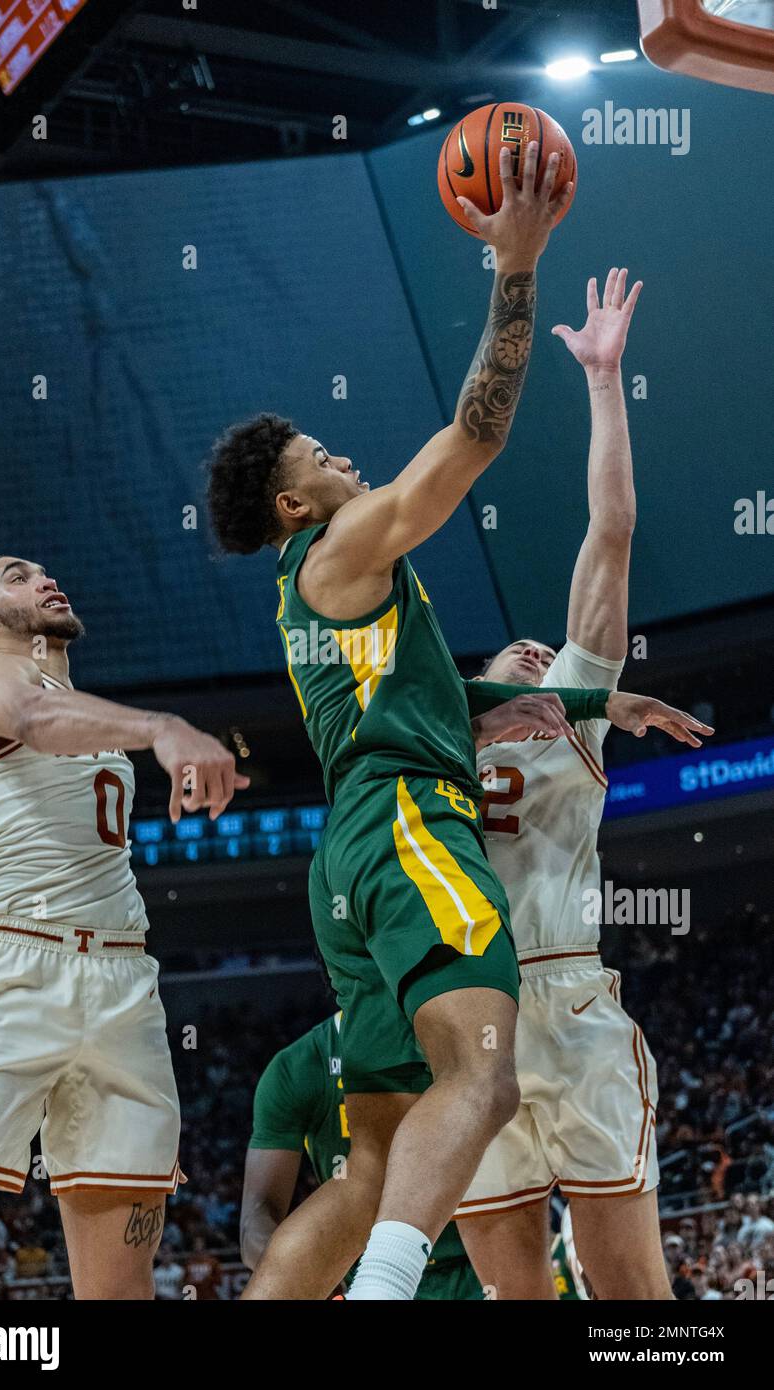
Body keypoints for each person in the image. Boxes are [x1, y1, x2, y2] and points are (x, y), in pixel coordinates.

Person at [209, 145, 711, 1299]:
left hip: (512, 974)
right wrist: (515, 270)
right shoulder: (350, 565)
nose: (342, 458)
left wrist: (595, 694)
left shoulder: (529, 710)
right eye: (318, 457)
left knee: (617, 1292)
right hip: (449, 924)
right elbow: (472, 439)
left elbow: (609, 537)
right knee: (481, 1168)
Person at [0, 555, 247, 1299]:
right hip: (13, 969)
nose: (45, 577)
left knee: (121, 1284)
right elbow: (31, 719)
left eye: (44, 572)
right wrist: (163, 727)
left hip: (123, 978)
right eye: (17, 575)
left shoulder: (81, 707)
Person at [454, 269, 680, 1299]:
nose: (541, 654)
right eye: (519, 651)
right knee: (516, 1295)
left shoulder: (573, 723)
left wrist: (600, 383)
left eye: (551, 653)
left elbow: (610, 533)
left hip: (563, 987)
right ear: (480, 676)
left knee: (631, 1294)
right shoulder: (428, 739)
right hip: (463, 1012)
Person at [241, 1013, 483, 1298]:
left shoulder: (465, 1033)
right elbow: (255, 1221)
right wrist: (312, 1275)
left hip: (477, 1263)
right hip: (369, 1271)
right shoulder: (301, 1066)